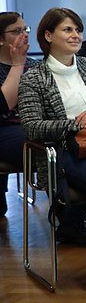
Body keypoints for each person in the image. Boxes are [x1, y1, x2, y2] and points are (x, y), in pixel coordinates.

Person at [18, 7, 86, 303]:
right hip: (65, 150)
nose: (76, 35)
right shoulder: (34, 77)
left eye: (78, 29)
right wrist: (75, 123)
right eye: (68, 30)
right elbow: (31, 125)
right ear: (48, 35)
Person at [0, 12, 34, 217]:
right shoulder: (21, 64)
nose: (24, 35)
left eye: (25, 29)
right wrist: (17, 64)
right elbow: (5, 105)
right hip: (5, 130)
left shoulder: (35, 65)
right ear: (1, 39)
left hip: (30, 125)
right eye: (16, 31)